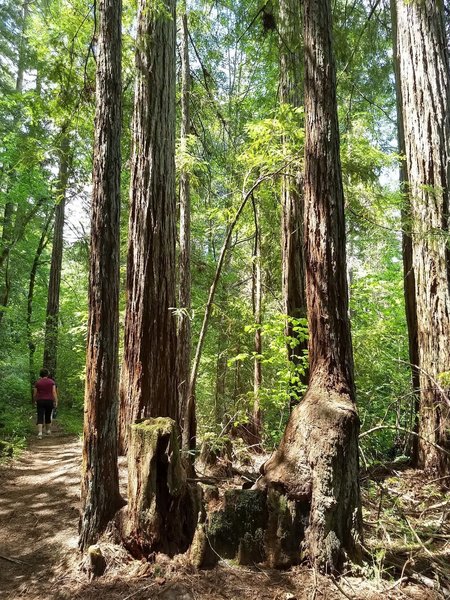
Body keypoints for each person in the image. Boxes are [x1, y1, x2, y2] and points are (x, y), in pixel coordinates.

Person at [33, 368, 58, 439]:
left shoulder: (37, 383)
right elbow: (54, 392)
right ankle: (48, 431)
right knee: (48, 415)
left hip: (40, 401)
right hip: (49, 401)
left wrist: (34, 401)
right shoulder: (52, 382)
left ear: (40, 374)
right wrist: (56, 400)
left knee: (40, 416)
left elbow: (35, 394)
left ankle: (40, 433)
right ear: (47, 374)